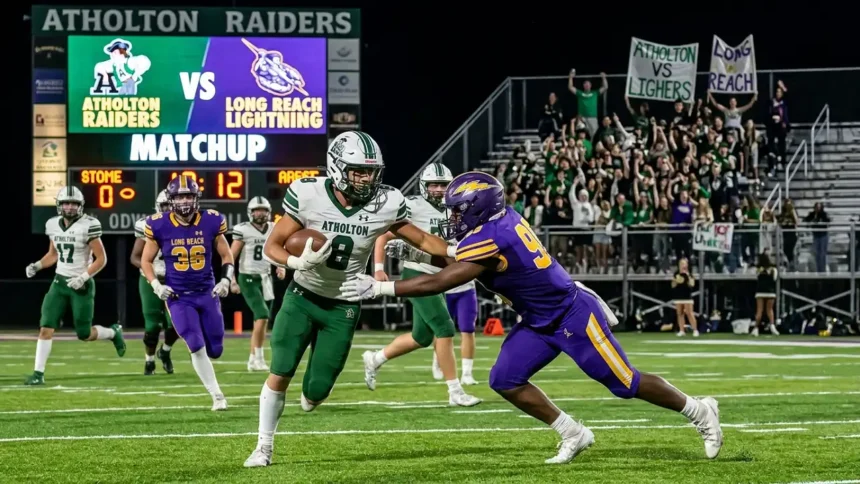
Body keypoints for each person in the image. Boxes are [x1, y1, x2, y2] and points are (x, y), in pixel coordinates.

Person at [341, 171, 723, 465]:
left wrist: (382, 288)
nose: (453, 215)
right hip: (539, 320)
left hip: (571, 315)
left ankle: (700, 410)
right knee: (504, 379)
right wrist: (416, 251)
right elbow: (458, 257)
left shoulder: (495, 235)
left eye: (459, 209)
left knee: (625, 382)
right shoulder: (497, 222)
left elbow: (445, 278)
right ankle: (572, 432)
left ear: (478, 207)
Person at [244, 131, 458, 468]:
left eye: (371, 171)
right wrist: (296, 261)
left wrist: (453, 250)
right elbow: (273, 245)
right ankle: (263, 447)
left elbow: (421, 239)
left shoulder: (386, 201)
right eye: (358, 170)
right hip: (302, 295)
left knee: (316, 393)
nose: (366, 178)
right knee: (281, 370)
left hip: (344, 303)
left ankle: (311, 394)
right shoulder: (309, 193)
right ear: (337, 166)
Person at [370, 163, 482, 399]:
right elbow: (384, 234)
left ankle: (375, 358)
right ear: (424, 186)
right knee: (444, 328)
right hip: (418, 274)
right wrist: (379, 268)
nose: (439, 189)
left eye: (443, 185)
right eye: (434, 184)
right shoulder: (412, 206)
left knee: (421, 337)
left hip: (442, 277)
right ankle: (455, 391)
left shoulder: (457, 208)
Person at [141, 175, 234, 411]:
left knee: (216, 350)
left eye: (188, 196)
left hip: (206, 292)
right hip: (179, 296)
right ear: (171, 200)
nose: (184, 201)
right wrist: (156, 285)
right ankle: (217, 396)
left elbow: (226, 255)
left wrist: (225, 279)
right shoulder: (158, 224)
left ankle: (207, 341)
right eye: (180, 196)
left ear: (196, 198)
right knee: (194, 343)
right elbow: (145, 260)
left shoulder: (211, 220)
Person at [24, 186, 126, 385]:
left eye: (74, 203)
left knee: (84, 334)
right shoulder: (52, 224)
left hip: (81, 285)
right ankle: (38, 373)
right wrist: (37, 265)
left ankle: (113, 332)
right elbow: (53, 255)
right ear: (59, 205)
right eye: (66, 203)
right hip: (59, 283)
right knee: (46, 327)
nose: (70, 207)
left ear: (81, 206)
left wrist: (83, 277)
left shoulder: (89, 224)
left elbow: (101, 259)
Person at [230, 196, 286, 371]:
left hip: (265, 278)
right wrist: (230, 279)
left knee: (261, 320)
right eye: (257, 210)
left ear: (268, 212)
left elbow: (277, 248)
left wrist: (281, 266)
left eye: (263, 210)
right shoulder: (243, 230)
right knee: (262, 315)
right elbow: (231, 256)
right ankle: (259, 359)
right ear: (251, 212)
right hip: (247, 278)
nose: (260, 214)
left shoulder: (273, 228)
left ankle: (253, 359)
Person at [131, 189, 178, 375]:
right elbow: (135, 257)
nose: (167, 209)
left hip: (175, 280)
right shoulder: (147, 225)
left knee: (175, 323)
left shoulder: (187, 226)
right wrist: (148, 271)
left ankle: (165, 352)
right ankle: (149, 360)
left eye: (170, 205)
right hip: (151, 280)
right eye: (164, 205)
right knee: (152, 326)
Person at [753, 252, 779, 336]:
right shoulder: (773, 270)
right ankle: (772, 326)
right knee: (769, 310)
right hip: (770, 292)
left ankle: (756, 328)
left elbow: (757, 278)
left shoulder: (758, 269)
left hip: (760, 291)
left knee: (759, 310)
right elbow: (774, 279)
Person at [672, 258, 698, 337]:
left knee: (689, 313)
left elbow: (692, 284)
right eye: (681, 264)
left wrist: (688, 277)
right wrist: (675, 281)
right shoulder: (676, 273)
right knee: (680, 313)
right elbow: (673, 285)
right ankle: (681, 330)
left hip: (687, 296)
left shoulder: (690, 274)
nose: (683, 265)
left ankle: (695, 330)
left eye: (684, 264)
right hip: (679, 296)